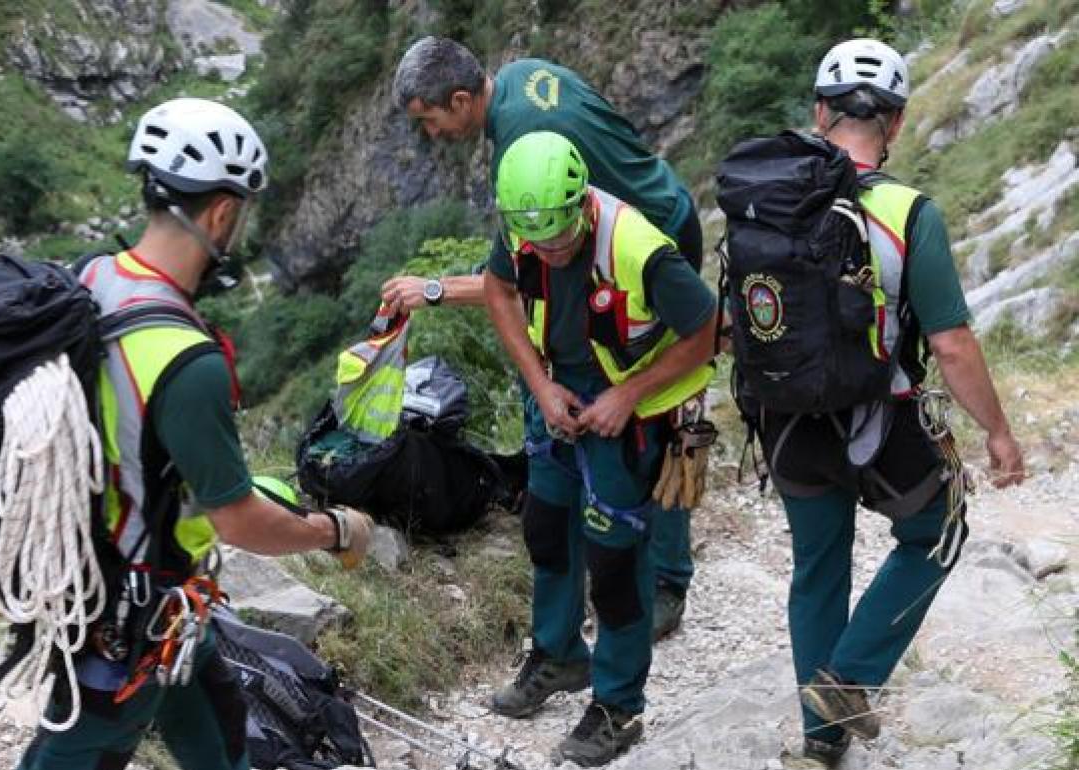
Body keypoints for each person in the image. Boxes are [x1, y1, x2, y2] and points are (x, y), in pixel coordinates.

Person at [17, 97, 373, 770]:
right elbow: (238, 521)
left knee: (219, 725)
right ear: (221, 212)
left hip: (118, 584)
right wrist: (335, 531)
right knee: (80, 748)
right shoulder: (188, 360)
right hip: (129, 616)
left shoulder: (91, 277)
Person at [757, 40, 1026, 766]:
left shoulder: (766, 198)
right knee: (937, 530)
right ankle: (848, 682)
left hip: (785, 422)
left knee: (818, 564)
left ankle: (821, 743)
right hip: (881, 418)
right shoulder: (909, 213)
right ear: (898, 124)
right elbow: (953, 345)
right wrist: (997, 433)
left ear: (819, 112)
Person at [386, 35, 705, 639]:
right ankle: (634, 572)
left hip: (652, 251)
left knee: (648, 417)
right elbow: (525, 265)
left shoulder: (524, 141)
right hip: (665, 208)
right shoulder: (524, 77)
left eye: (429, 121)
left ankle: (664, 581)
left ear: (459, 100)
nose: (431, 135)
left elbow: (529, 264)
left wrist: (434, 288)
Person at [483, 131, 716, 766]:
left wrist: (629, 396)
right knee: (547, 530)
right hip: (557, 394)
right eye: (541, 243)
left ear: (581, 202)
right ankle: (558, 654)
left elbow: (706, 330)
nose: (552, 253)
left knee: (614, 565)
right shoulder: (524, 222)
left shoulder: (636, 247)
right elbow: (499, 290)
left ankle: (619, 704)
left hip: (629, 411)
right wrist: (540, 384)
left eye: (561, 239)